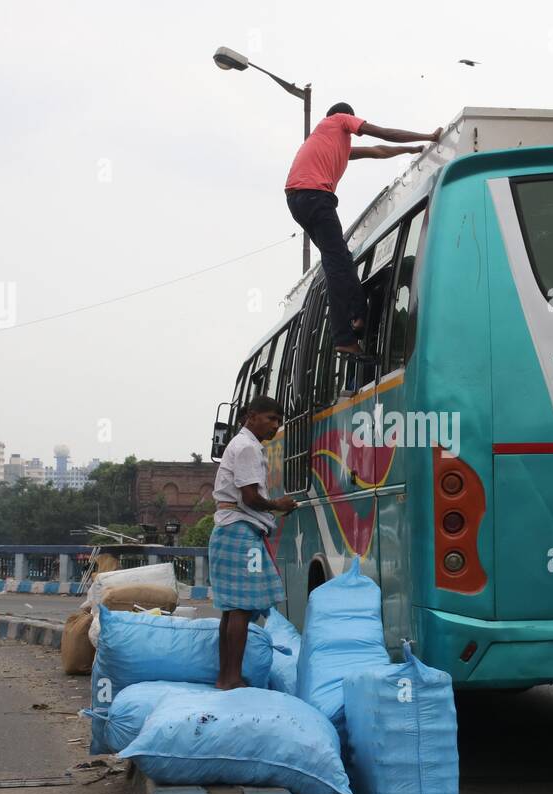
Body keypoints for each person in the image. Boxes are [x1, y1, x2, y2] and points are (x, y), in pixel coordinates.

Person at [285, 103, 442, 356]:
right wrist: (428, 136)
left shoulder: (331, 142)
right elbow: (382, 134)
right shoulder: (338, 120)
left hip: (297, 200)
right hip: (314, 196)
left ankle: (357, 315)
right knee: (336, 263)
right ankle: (346, 333)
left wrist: (412, 149)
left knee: (339, 258)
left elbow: (377, 151)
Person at [208, 395, 297, 689]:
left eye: (279, 421)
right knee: (242, 609)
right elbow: (250, 498)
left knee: (233, 609)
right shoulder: (246, 447)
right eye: (271, 419)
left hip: (230, 529)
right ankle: (230, 677)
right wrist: (279, 505)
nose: (275, 426)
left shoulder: (242, 445)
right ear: (252, 416)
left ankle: (227, 675)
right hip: (239, 531)